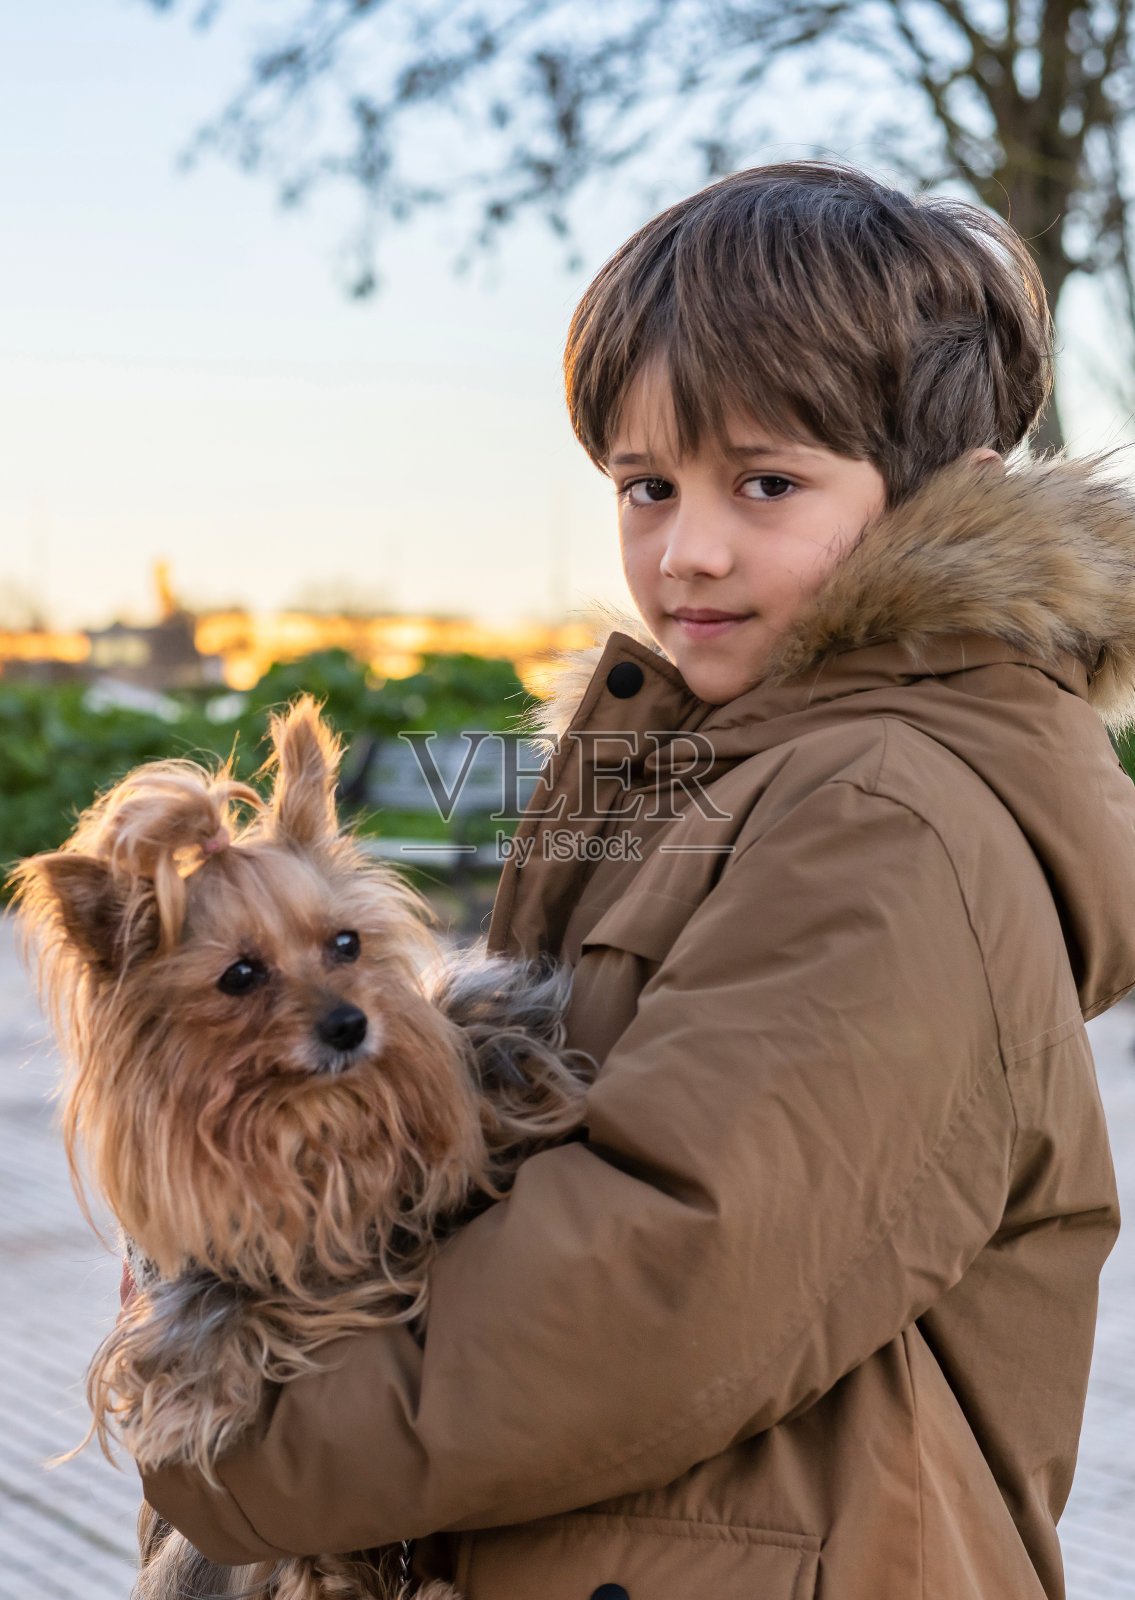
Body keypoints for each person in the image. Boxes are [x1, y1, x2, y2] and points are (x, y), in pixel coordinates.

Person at [139, 161, 1135, 1598]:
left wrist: (241, 1443)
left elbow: (669, 1278)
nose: (688, 551)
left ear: (948, 499)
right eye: (646, 486)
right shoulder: (737, 764)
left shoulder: (883, 813)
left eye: (767, 483)